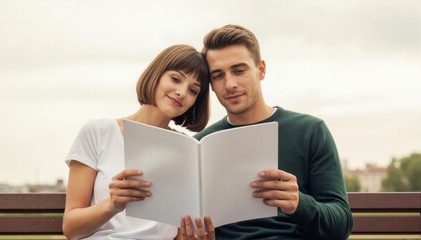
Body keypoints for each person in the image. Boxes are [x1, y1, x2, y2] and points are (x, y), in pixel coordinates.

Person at [180, 24, 353, 240]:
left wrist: (299, 204)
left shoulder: (310, 131)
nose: (230, 84)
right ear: (211, 85)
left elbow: (342, 225)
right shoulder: (200, 145)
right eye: (218, 75)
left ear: (261, 70)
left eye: (239, 70)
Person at [62, 44, 210, 240]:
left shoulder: (187, 150)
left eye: (193, 90)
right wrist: (111, 205)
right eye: (175, 79)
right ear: (156, 75)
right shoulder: (98, 132)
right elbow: (71, 228)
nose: (182, 92)